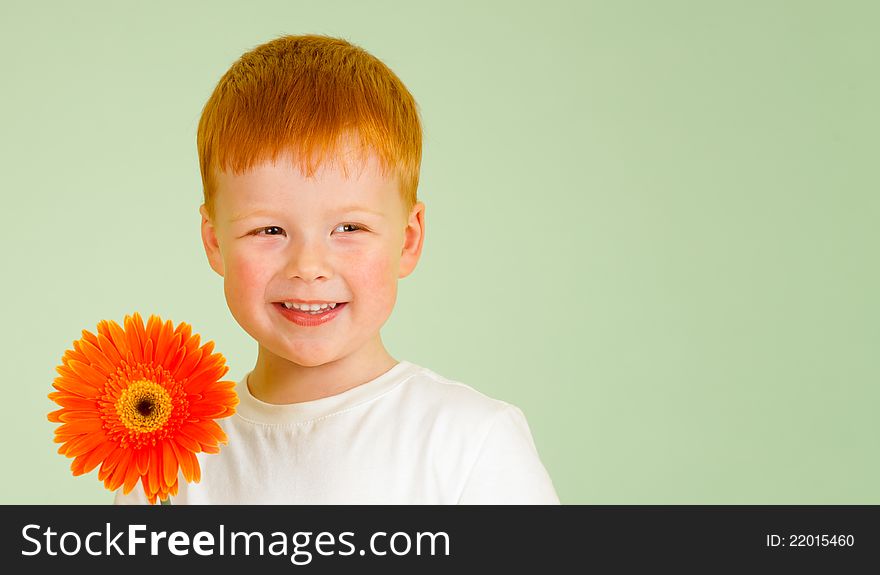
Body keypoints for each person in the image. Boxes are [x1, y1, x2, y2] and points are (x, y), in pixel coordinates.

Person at [116, 34, 558, 504]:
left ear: (408, 239)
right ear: (214, 240)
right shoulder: (170, 462)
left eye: (349, 228)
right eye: (269, 231)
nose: (309, 267)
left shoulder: (469, 442)